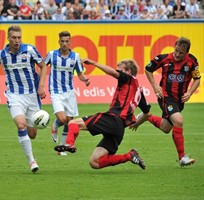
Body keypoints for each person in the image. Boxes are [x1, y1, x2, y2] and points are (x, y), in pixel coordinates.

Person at [54, 59, 150, 170]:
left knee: (73, 122)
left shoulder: (128, 78)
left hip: (113, 119)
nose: (117, 72)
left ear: (128, 71)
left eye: (120, 70)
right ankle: (129, 156)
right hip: (119, 129)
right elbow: (147, 113)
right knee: (94, 162)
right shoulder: (139, 90)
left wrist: (93, 63)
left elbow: (113, 73)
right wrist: (137, 123)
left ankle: (69, 144)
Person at [0, 25, 47, 173]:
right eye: (14, 37)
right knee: (21, 125)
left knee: (32, 134)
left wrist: (42, 86)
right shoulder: (1, 55)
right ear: (8, 38)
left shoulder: (30, 50)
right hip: (14, 96)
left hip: (32, 96)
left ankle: (28, 143)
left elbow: (43, 66)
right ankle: (32, 161)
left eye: (19, 37)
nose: (17, 40)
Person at [131, 37, 201, 167]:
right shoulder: (164, 58)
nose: (177, 54)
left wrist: (189, 92)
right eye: (176, 51)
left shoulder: (192, 61)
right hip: (166, 96)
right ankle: (182, 157)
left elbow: (197, 79)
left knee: (166, 127)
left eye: (181, 53)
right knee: (178, 121)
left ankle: (148, 117)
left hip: (180, 99)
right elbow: (148, 69)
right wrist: (155, 86)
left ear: (186, 53)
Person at [45, 31, 90, 156]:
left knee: (69, 121)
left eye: (67, 41)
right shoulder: (52, 54)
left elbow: (80, 74)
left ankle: (63, 148)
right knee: (62, 118)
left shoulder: (75, 56)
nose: (64, 43)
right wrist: (40, 85)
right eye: (62, 41)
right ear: (59, 41)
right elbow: (42, 67)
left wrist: (85, 79)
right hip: (55, 91)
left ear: (70, 42)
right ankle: (55, 124)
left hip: (69, 92)